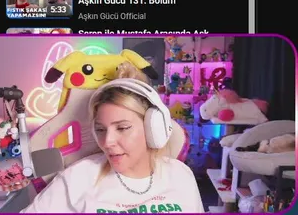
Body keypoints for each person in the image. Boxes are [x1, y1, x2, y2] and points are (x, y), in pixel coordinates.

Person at [23, 70, 204, 212]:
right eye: (100, 130)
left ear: (152, 128)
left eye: (122, 128)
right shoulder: (77, 178)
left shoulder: (180, 175)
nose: (107, 142)